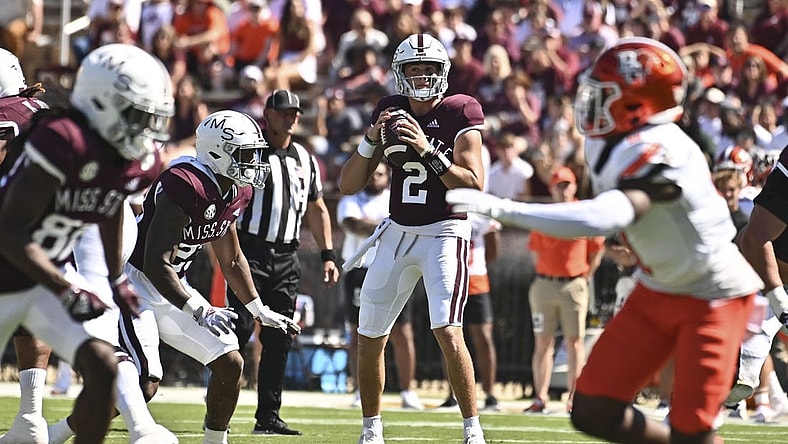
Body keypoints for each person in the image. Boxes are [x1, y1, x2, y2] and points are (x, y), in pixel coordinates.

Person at [446, 37, 763, 443]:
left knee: (692, 430)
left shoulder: (663, 147)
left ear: (637, 102)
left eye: (605, 93)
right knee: (593, 408)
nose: (591, 101)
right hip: (660, 286)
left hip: (712, 295)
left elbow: (607, 215)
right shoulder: (617, 142)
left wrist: (505, 209)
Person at [0, 43, 177, 444]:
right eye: (137, 114)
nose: (145, 127)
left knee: (101, 362)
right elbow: (10, 233)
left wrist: (115, 278)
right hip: (10, 265)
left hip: (43, 267)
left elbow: (111, 206)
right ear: (100, 102)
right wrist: (67, 286)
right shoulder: (59, 140)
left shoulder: (131, 155)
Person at [116, 109, 300, 444]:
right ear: (217, 152)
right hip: (137, 285)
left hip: (174, 286)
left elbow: (231, 259)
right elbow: (157, 264)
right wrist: (198, 309)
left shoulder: (236, 190)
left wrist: (259, 310)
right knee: (145, 383)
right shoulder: (186, 184)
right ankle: (65, 431)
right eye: (246, 154)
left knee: (230, 362)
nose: (254, 162)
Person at [338, 33, 488, 444]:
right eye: (414, 69)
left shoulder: (461, 110)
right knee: (369, 334)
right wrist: (371, 139)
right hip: (398, 230)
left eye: (429, 69)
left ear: (443, 72)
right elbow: (348, 183)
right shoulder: (389, 110)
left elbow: (475, 184)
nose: (422, 76)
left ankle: (473, 430)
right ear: (400, 74)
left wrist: (426, 148)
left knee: (447, 328)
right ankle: (371, 431)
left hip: (444, 229)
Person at [228, 89, 339, 435]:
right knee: (239, 330)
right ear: (268, 114)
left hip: (287, 256)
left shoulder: (305, 158)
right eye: (283, 112)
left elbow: (317, 208)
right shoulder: (252, 152)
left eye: (295, 112)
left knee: (280, 336)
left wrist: (328, 253)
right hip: (250, 252)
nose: (290, 117)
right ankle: (221, 413)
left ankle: (268, 417)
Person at [336, 162, 424, 410]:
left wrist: (381, 224)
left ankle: (408, 390)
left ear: (388, 177)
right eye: (372, 173)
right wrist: (387, 225)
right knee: (357, 332)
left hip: (393, 270)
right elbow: (352, 224)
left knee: (402, 332)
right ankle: (359, 389)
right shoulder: (352, 198)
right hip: (359, 271)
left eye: (381, 174)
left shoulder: (396, 198)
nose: (376, 178)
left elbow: (405, 224)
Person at [523, 166, 605, 414]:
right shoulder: (545, 216)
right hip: (545, 283)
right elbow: (535, 250)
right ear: (552, 189)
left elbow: (596, 250)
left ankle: (574, 397)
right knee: (543, 342)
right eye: (559, 185)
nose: (564, 190)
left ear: (574, 186)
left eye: (567, 184)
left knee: (575, 342)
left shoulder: (583, 213)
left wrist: (583, 277)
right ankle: (540, 397)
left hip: (573, 284)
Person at [439, 212, 502, 411]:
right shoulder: (446, 210)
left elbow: (492, 248)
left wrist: (475, 268)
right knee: (448, 336)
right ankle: (452, 394)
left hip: (476, 281)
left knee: (483, 338)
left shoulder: (481, 214)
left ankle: (489, 394)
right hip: (451, 280)